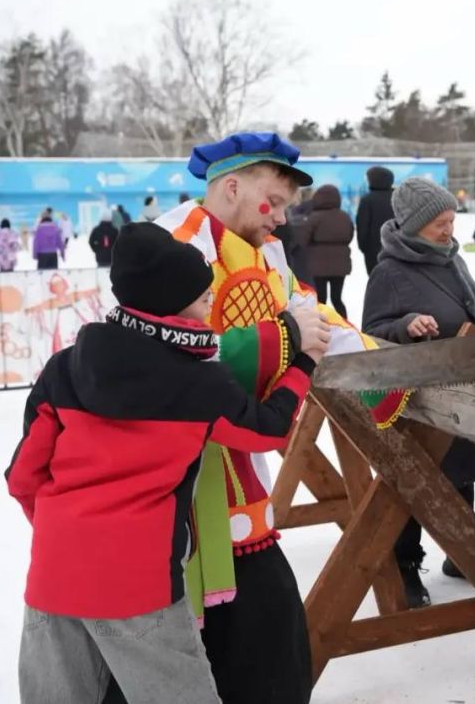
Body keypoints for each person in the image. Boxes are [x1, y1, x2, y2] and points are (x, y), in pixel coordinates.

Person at [99, 132, 387, 704]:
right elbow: (158, 359)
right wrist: (281, 340)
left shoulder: (265, 250)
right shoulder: (173, 247)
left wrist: (384, 368)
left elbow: (310, 309)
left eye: (285, 208)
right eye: (273, 202)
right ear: (231, 186)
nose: (280, 219)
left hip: (235, 467)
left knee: (263, 637)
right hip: (169, 487)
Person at [5, 221, 327, 704]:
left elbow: (22, 474)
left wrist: (62, 530)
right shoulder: (197, 383)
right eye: (202, 301)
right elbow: (266, 430)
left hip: (53, 576)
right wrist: (302, 364)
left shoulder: (63, 368)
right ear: (170, 305)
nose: (209, 312)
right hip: (138, 585)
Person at [362, 177, 475, 607]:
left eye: (450, 220)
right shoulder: (389, 272)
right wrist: (405, 326)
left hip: (460, 391)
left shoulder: (452, 259)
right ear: (413, 225)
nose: (449, 230)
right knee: (413, 486)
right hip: (418, 402)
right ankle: (406, 567)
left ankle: (460, 553)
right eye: (438, 223)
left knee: (461, 477)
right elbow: (371, 334)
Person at [297, 184, 353, 318]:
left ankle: (321, 326)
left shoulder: (314, 217)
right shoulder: (345, 216)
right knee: (337, 299)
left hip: (318, 265)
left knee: (321, 299)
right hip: (340, 264)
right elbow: (350, 235)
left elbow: (302, 240)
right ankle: (346, 325)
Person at [356, 166, 395, 274]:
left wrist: (364, 247)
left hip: (373, 250)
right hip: (397, 248)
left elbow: (362, 226)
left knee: (376, 280)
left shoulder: (367, 200)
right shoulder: (397, 198)